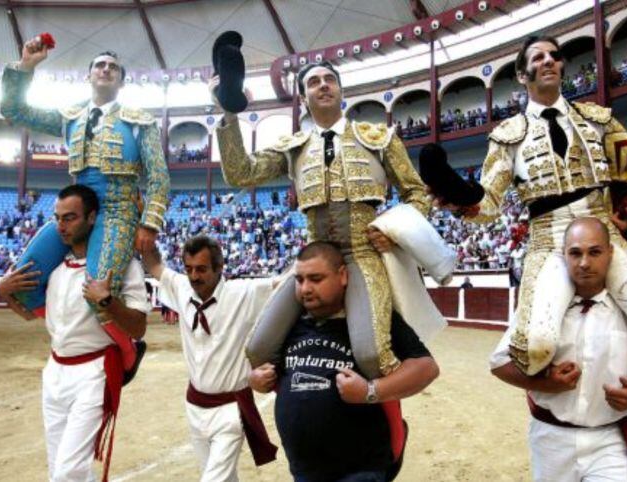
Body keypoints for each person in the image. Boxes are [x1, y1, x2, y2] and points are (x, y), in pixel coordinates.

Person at [440, 35, 627, 377]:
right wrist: (460, 199)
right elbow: (489, 204)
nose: (548, 61)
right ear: (522, 75)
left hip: (603, 234)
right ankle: (550, 401)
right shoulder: (509, 134)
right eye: (538, 58)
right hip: (548, 240)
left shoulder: (597, 120)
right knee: (536, 348)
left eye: (554, 56)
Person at [214, 60, 432, 379]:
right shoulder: (294, 147)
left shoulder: (379, 137)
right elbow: (239, 173)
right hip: (312, 260)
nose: (324, 85)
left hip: (362, 256)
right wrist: (229, 114)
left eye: (330, 79)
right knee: (258, 350)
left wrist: (397, 232)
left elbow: (417, 192)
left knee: (372, 355)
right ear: (304, 98)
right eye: (314, 82)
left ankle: (388, 423)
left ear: (341, 90)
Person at [0, 36, 170, 373]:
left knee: (98, 291)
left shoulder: (140, 121)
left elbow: (158, 178)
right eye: (99, 65)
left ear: (121, 81)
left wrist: (149, 224)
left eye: (113, 67)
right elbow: (14, 110)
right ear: (89, 75)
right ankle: (69, 333)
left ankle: (129, 350)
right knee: (22, 282)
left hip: (119, 212)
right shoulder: (71, 116)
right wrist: (26, 68)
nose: (106, 69)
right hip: (77, 211)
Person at [490, 217, 627, 482]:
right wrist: (548, 384)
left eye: (594, 252)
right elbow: (499, 363)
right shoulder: (542, 309)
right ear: (564, 256)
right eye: (575, 253)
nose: (584, 263)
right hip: (551, 439)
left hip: (612, 440)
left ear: (610, 253)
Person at [249, 241, 439, 482]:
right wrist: (254, 379)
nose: (305, 288)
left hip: (359, 469)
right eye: (299, 280)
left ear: (342, 276)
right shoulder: (290, 325)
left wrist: (370, 391)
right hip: (304, 471)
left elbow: (426, 367)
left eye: (316, 279)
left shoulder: (374, 321)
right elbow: (267, 370)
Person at [0, 184, 150, 481]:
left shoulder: (121, 266)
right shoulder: (53, 270)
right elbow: (29, 315)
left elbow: (138, 327)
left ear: (92, 218)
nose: (61, 226)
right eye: (57, 218)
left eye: (70, 218)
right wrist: (4, 293)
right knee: (61, 468)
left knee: (68, 472)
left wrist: (108, 301)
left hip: (95, 373)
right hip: (55, 371)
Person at [140, 235, 278, 481]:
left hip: (230, 410)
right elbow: (155, 267)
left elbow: (285, 283)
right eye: (189, 269)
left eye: (202, 269)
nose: (194, 276)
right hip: (194, 406)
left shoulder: (244, 293)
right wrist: (146, 244)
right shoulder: (183, 287)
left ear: (219, 267)